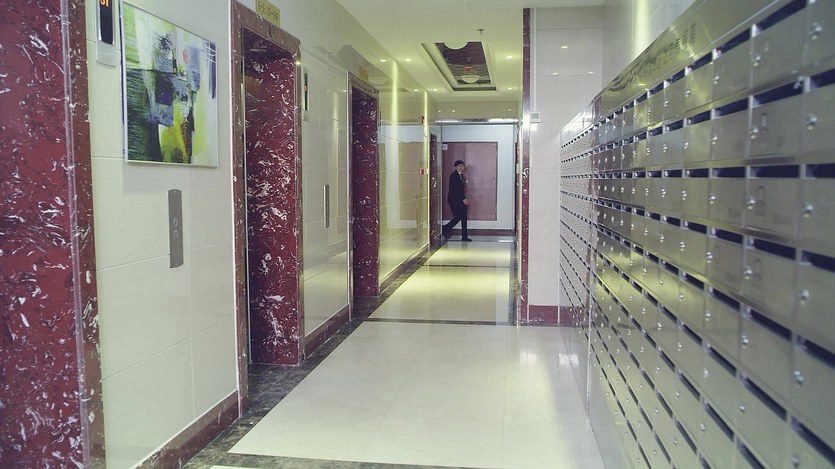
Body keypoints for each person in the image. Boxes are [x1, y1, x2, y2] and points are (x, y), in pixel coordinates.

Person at [442, 160, 472, 242]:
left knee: (464, 218)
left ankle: (464, 236)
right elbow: (456, 189)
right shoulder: (454, 176)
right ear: (455, 167)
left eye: (462, 166)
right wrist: (464, 199)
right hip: (454, 200)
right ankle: (445, 228)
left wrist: (463, 199)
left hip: (459, 200)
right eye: (459, 166)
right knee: (458, 217)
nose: (461, 167)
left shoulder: (461, 175)